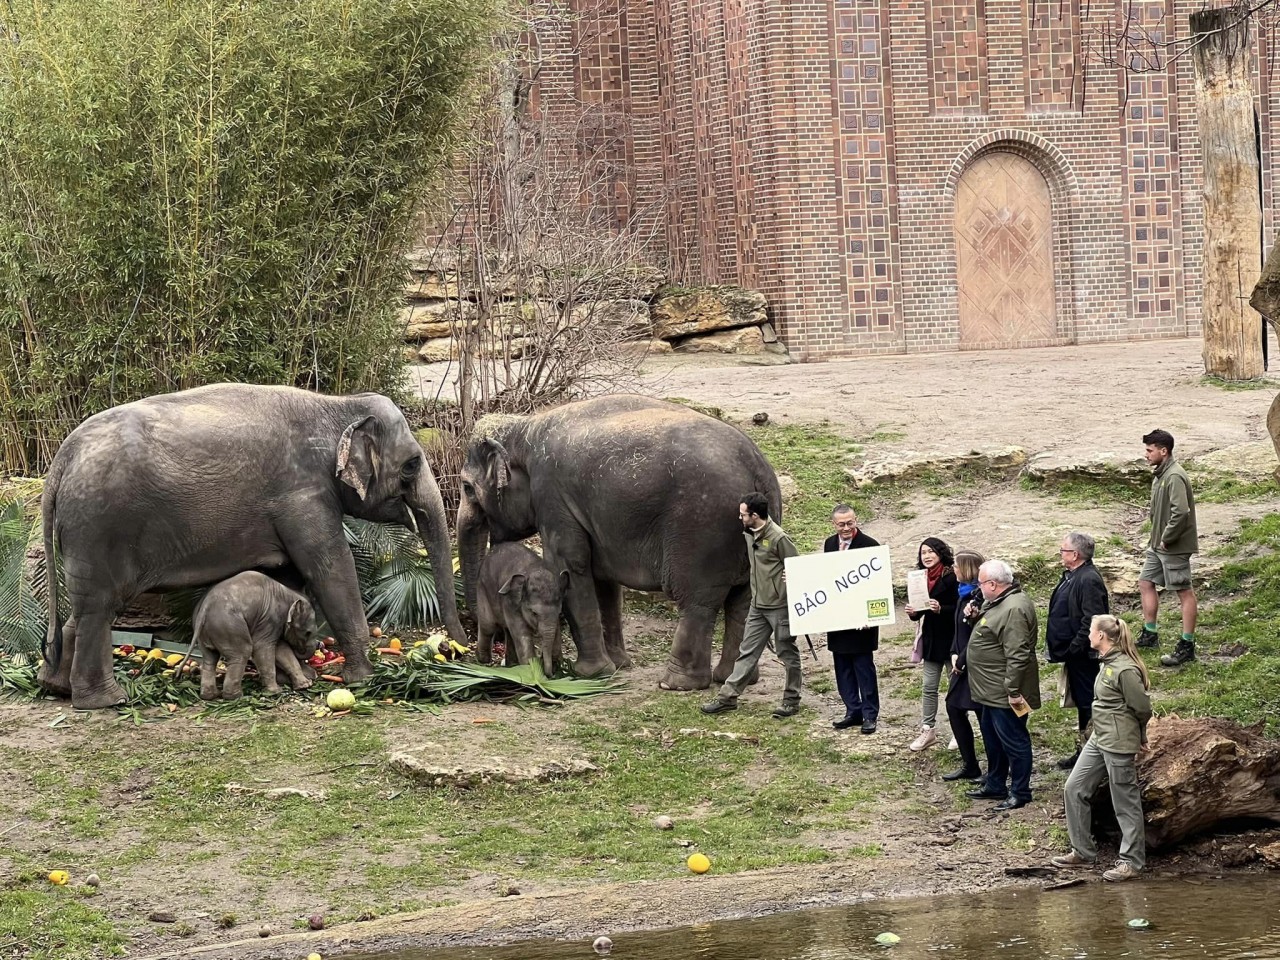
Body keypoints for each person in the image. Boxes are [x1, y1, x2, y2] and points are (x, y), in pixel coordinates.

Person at [1051, 614, 1152, 883]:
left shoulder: (1125, 669)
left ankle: (1132, 861)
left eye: (1091, 631)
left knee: (1125, 802)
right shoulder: (1106, 663)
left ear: (1101, 637)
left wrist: (1139, 735)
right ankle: (1082, 851)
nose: (1087, 635)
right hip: (1100, 737)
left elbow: (1142, 708)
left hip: (1118, 741)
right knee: (1074, 787)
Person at [702, 492, 802, 718]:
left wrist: (791, 579)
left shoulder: (778, 538)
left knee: (787, 653)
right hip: (758, 606)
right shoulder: (749, 533)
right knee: (746, 651)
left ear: (755, 515)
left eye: (743, 514)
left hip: (779, 606)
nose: (740, 518)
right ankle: (727, 697)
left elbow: (798, 566)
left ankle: (791, 699)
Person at [965, 559, 1040, 811]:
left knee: (1014, 741)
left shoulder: (1014, 609)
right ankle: (996, 783)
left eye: (981, 583)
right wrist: (976, 617)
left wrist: (1013, 691)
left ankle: (1020, 791)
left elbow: (1018, 654)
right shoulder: (998, 602)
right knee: (992, 738)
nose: (978, 588)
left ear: (994, 584)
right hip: (990, 690)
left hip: (1005, 692)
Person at [1045, 532, 1111, 769]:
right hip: (1075, 654)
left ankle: (1091, 754)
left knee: (1088, 702)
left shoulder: (1088, 579)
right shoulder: (1074, 575)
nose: (1060, 553)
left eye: (1063, 550)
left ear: (1075, 554)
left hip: (1084, 655)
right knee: (1084, 702)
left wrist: (1074, 648)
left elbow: (1093, 619)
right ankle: (1085, 750)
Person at [1135, 428, 1199, 666]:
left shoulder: (1173, 476)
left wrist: (1167, 537)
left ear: (1164, 451)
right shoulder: (1161, 474)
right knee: (1145, 582)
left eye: (1150, 450)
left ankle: (1187, 645)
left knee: (1184, 592)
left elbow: (1181, 511)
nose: (1146, 454)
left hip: (1173, 546)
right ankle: (1150, 633)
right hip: (1158, 545)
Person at [823, 504, 880, 735]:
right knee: (843, 668)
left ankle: (869, 714)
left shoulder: (870, 545)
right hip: (838, 617)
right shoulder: (829, 544)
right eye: (841, 524)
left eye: (850, 523)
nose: (846, 528)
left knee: (863, 668)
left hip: (862, 621)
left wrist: (871, 615)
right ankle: (852, 711)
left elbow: (877, 585)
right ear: (833, 524)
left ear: (856, 520)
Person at [905, 537, 958, 751]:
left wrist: (940, 609)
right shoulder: (919, 579)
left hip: (952, 640)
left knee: (955, 687)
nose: (926, 556)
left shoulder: (953, 576)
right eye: (923, 552)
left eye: (930, 552)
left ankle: (959, 730)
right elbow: (919, 613)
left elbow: (959, 608)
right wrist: (914, 613)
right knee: (928, 687)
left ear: (940, 553)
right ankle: (928, 729)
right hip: (931, 640)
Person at [943, 548, 986, 782]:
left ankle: (993, 767)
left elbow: (977, 636)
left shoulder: (978, 599)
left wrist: (961, 659)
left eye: (957, 566)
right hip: (960, 661)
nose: (954, 570)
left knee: (981, 714)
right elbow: (958, 630)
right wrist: (952, 651)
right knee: (953, 707)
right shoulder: (962, 595)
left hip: (973, 665)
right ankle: (970, 763)